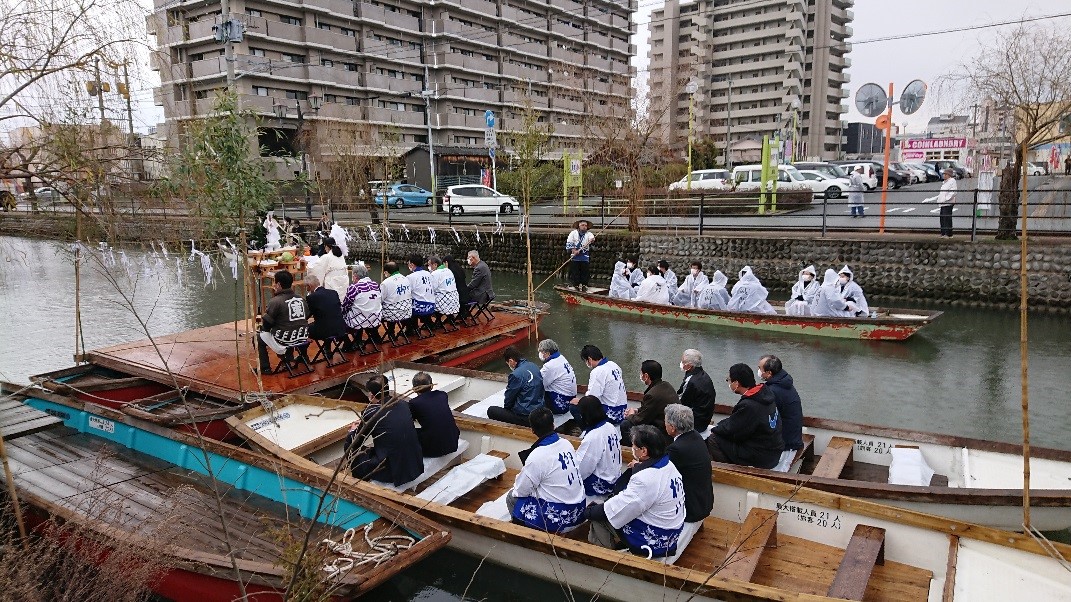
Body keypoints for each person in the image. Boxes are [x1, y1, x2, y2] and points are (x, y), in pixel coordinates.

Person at [583, 424, 685, 558]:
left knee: (598, 517)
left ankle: (607, 558)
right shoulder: (669, 465)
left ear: (644, 451)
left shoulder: (645, 479)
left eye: (634, 447)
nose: (632, 449)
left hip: (657, 539)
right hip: (672, 531)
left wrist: (588, 512)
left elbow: (614, 509)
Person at [506, 407, 586, 533]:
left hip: (559, 519)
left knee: (511, 497)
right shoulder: (567, 444)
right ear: (553, 425)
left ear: (532, 430)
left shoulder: (537, 456)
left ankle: (522, 535)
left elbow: (520, 491)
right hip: (579, 510)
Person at [345, 375, 424, 486]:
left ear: (371, 395)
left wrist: (353, 431)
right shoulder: (403, 404)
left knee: (350, 445)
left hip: (393, 470)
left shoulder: (371, 412)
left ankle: (361, 483)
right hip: (414, 462)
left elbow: (357, 440)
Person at [707, 363, 783, 469]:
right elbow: (737, 423)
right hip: (773, 449)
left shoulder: (749, 405)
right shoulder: (764, 393)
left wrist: (715, 428)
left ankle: (729, 471)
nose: (728, 383)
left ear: (737, 383)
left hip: (763, 457)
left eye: (729, 380)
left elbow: (732, 431)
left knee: (713, 439)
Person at [664, 404, 714, 524]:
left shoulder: (676, 449)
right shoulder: (696, 436)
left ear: (672, 428)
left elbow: (660, 473)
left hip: (690, 509)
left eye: (665, 422)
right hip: (703, 502)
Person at [257, 270, 310, 373]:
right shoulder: (301, 299)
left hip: (285, 339)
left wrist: (263, 329)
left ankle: (265, 368)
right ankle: (289, 359)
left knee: (259, 336)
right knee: (288, 327)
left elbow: (267, 324)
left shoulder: (275, 301)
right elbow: (307, 315)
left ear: (279, 284)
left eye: (274, 283)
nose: (273, 285)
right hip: (302, 336)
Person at [573, 395, 622, 500]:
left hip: (603, 483)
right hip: (615, 477)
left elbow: (582, 469)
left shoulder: (593, 436)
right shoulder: (610, 426)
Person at [620, 359, 676, 445]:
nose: (640, 375)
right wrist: (637, 411)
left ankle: (631, 451)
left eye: (641, 373)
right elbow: (651, 408)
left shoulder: (652, 395)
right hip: (670, 427)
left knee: (625, 424)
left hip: (663, 433)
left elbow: (640, 420)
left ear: (646, 376)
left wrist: (631, 415)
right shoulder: (666, 385)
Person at [487, 347, 545, 426]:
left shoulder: (516, 375)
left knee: (491, 410)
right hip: (539, 411)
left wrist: (507, 409)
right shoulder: (533, 366)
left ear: (511, 361)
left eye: (508, 363)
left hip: (526, 416)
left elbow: (509, 398)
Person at [408, 371, 460, 458]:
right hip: (453, 443)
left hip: (434, 449)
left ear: (414, 389)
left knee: (408, 433)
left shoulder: (414, 403)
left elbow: (409, 421)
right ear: (431, 386)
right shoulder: (442, 395)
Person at [571, 345, 627, 424]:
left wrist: (579, 401)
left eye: (585, 361)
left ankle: (588, 430)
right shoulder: (614, 365)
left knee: (574, 407)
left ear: (589, 359)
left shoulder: (597, 371)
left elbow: (592, 397)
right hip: (622, 412)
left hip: (611, 415)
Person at [758, 355, 803, 453]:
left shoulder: (773, 391)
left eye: (760, 369)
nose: (758, 372)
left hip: (787, 442)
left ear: (769, 373)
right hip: (794, 437)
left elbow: (764, 418)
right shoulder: (784, 382)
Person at [341, 263, 382, 349]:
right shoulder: (376, 285)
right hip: (375, 320)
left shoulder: (354, 288)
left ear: (355, 276)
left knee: (339, 318)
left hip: (359, 321)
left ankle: (348, 343)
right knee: (362, 310)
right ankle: (369, 338)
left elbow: (345, 306)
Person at [677, 349, 716, 433]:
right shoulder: (704, 375)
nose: (681, 363)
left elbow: (681, 402)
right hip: (704, 420)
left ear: (690, 366)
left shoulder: (691, 381)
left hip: (696, 424)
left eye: (683, 362)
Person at [537, 339, 577, 415]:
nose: (540, 354)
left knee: (534, 392)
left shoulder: (550, 366)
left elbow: (539, 384)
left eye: (541, 352)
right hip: (570, 398)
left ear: (548, 353)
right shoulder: (561, 358)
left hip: (560, 405)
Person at [304, 274, 347, 344]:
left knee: (302, 330)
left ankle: (303, 354)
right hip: (340, 327)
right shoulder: (333, 292)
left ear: (309, 286)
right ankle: (327, 349)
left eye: (306, 287)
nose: (306, 289)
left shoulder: (312, 297)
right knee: (325, 321)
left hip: (324, 331)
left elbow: (308, 313)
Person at [306, 236, 349, 302]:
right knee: (341, 300)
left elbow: (316, 269)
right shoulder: (341, 256)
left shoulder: (326, 257)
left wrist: (308, 267)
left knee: (332, 299)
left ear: (326, 246)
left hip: (332, 282)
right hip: (344, 281)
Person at [380, 261, 412, 340]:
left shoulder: (385, 283)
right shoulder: (406, 279)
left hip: (392, 314)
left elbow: (380, 300)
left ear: (386, 272)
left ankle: (391, 333)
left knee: (384, 309)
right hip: (407, 312)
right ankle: (409, 329)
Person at [406, 254, 436, 334]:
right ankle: (428, 323)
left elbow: (407, 293)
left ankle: (412, 329)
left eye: (408, 263)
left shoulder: (410, 277)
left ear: (412, 264)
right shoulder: (428, 274)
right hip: (432, 306)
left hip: (420, 308)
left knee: (405, 306)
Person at [428, 255, 460, 326]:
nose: (429, 267)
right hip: (455, 302)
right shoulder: (449, 270)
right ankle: (448, 318)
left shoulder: (435, 273)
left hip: (443, 304)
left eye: (429, 265)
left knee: (426, 302)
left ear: (435, 265)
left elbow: (432, 289)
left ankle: (431, 323)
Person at [565, 219, 595, 290]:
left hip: (584, 256)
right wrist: (574, 250)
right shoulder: (573, 233)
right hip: (575, 256)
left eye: (585, 226)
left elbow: (592, 238)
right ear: (579, 226)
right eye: (582, 225)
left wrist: (592, 239)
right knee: (575, 271)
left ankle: (584, 285)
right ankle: (576, 285)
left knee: (585, 271)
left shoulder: (589, 234)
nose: (584, 227)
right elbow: (569, 242)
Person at [443, 255, 471, 320]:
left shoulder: (450, 271)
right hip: (466, 294)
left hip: (458, 297)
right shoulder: (460, 268)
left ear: (446, 262)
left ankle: (450, 318)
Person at [937, 168, 957, 238]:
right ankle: (943, 232)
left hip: (948, 202)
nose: (944, 175)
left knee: (947, 218)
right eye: (944, 174)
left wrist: (946, 198)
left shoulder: (952, 181)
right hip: (943, 202)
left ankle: (948, 233)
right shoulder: (945, 182)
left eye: (945, 174)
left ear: (949, 175)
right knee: (942, 218)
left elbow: (953, 191)